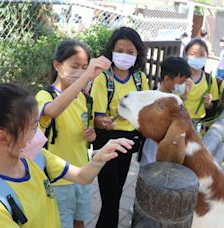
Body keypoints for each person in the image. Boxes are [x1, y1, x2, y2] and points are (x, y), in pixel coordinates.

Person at [0, 83, 134, 227]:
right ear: (3, 138)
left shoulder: (37, 157)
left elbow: (81, 176)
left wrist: (98, 158)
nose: (39, 136)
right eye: (34, 127)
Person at [36, 40, 109, 228]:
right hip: (57, 179)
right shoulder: (45, 96)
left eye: (85, 67)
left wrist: (91, 135)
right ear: (57, 65)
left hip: (82, 173)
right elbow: (51, 112)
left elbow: (85, 129)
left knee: (79, 220)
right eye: (75, 66)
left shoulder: (85, 99)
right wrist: (85, 77)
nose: (81, 71)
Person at [90, 27, 149, 228]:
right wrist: (103, 121)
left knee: (117, 191)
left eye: (130, 52)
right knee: (111, 196)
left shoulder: (140, 79)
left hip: (128, 141)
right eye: (120, 50)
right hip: (107, 140)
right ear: (111, 51)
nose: (124, 55)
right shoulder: (103, 78)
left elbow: (145, 110)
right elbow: (97, 119)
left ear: (138, 54)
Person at [140, 56, 191, 166]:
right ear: (167, 79)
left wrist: (184, 96)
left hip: (165, 155)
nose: (183, 85)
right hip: (151, 155)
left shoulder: (173, 98)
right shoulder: (153, 99)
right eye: (181, 82)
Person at [183, 38, 220, 133]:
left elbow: (213, 107)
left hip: (196, 124)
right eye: (192, 54)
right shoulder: (179, 76)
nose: (197, 58)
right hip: (176, 120)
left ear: (207, 56)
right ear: (186, 55)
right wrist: (184, 95)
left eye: (202, 55)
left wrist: (208, 103)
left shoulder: (210, 79)